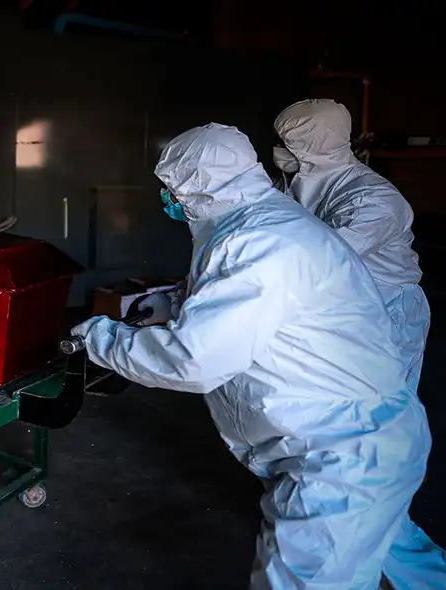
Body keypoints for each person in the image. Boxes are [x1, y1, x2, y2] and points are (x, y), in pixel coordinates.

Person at [73, 123, 446, 589]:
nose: (166, 197)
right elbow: (238, 294)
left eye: (170, 187)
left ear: (198, 186)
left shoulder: (255, 241)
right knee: (406, 561)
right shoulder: (261, 219)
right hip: (369, 440)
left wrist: (99, 338)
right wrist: (171, 301)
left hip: (338, 458)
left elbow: (193, 361)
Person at [274, 99, 429, 400]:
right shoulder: (292, 180)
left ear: (313, 143)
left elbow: (324, 255)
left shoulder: (373, 198)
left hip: (381, 309)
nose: (277, 147)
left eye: (286, 141)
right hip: (328, 303)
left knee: (378, 405)